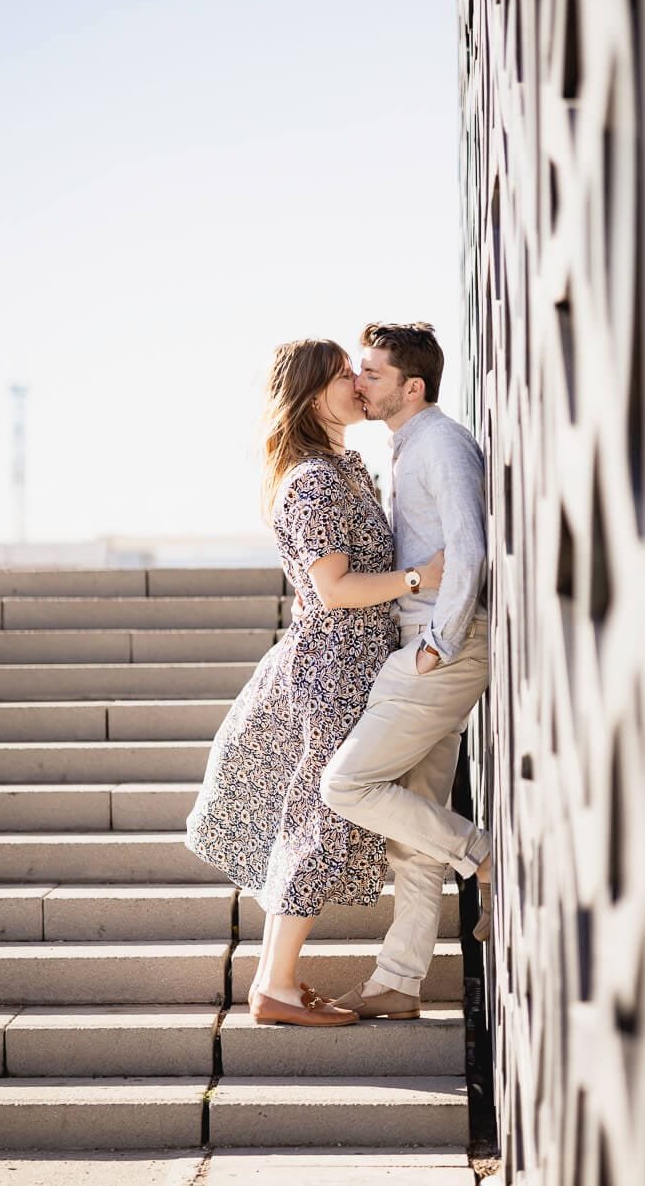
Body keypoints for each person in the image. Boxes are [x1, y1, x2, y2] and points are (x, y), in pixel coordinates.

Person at [184, 337, 444, 1027]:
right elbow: (332, 589)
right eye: (340, 378)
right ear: (310, 396)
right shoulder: (317, 479)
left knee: (314, 822)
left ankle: (279, 983)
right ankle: (277, 985)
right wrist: (423, 580)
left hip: (351, 666)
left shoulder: (341, 468)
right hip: (335, 674)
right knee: (318, 825)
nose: (358, 384)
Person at [320, 321, 493, 1022]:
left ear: (410, 386)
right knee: (410, 836)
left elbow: (471, 550)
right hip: (426, 642)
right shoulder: (407, 447)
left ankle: (484, 855)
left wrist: (439, 646)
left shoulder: (442, 443)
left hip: (439, 648)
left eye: (372, 373)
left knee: (346, 782)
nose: (359, 383)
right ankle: (398, 982)